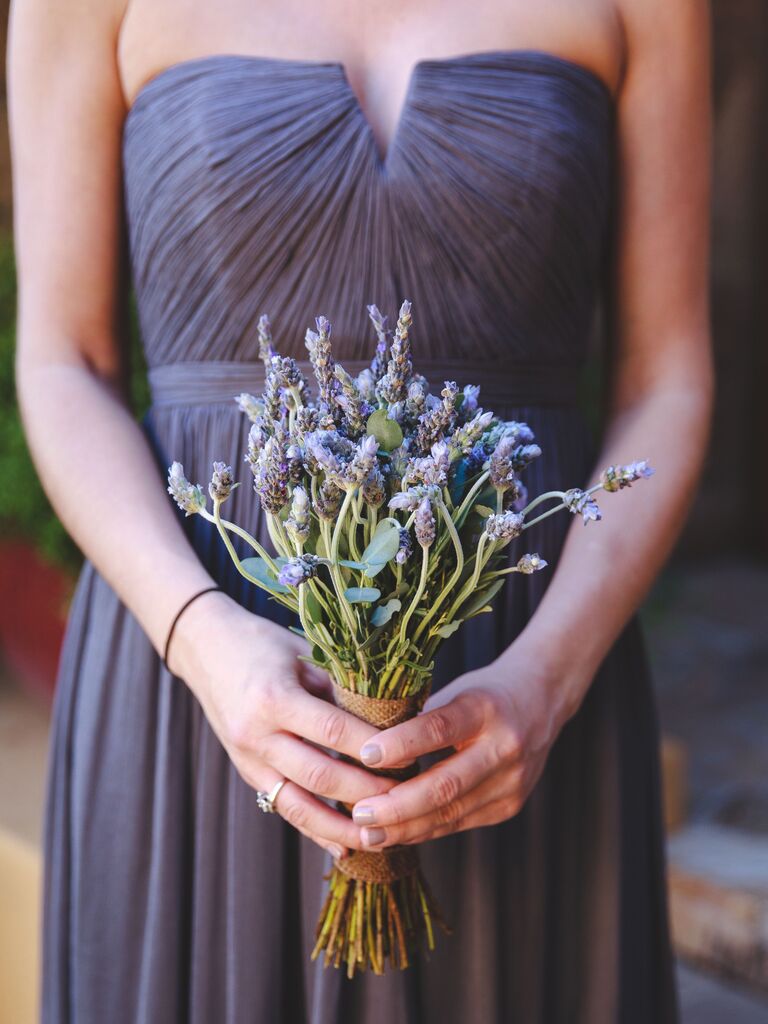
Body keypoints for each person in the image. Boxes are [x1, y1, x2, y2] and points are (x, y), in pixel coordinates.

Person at [8, 0, 713, 1019]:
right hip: (200, 681)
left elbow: (669, 378)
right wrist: (203, 641)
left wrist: (545, 682)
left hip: (526, 683)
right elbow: (64, 360)